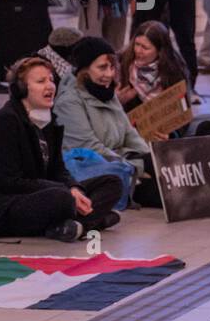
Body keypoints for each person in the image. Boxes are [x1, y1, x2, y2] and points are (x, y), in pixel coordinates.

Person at [0, 57, 123, 242]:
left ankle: (74, 226)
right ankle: (92, 221)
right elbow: (9, 183)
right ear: (21, 89)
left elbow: (58, 170)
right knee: (62, 198)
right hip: (5, 205)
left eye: (51, 80)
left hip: (43, 192)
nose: (50, 86)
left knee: (112, 183)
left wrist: (74, 188)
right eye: (40, 81)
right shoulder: (6, 122)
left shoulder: (48, 120)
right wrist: (66, 191)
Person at [54, 36, 160, 208]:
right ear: (84, 69)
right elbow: (89, 147)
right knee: (164, 193)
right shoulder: (69, 102)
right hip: (96, 170)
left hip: (121, 160)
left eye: (112, 67)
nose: (109, 74)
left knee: (166, 174)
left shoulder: (105, 92)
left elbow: (129, 133)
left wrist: (152, 159)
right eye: (102, 67)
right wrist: (136, 168)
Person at [116, 20, 192, 116]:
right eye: (137, 44)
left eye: (145, 47)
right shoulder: (123, 61)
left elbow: (183, 109)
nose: (138, 51)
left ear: (160, 51)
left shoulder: (174, 70)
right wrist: (117, 101)